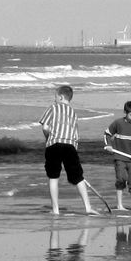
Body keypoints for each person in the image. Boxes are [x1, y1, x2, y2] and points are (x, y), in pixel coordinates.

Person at [39, 85, 99, 215]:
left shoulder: (53, 108)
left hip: (54, 144)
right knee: (78, 177)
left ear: (60, 97)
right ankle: (88, 207)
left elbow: (45, 126)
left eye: (55, 97)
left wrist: (48, 139)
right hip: (70, 146)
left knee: (53, 177)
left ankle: (55, 210)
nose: (55, 100)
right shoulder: (73, 112)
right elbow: (76, 135)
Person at [104, 101, 131, 211]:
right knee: (121, 179)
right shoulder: (118, 123)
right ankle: (119, 205)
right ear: (125, 113)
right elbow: (107, 134)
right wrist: (108, 145)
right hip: (119, 157)